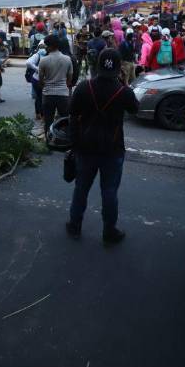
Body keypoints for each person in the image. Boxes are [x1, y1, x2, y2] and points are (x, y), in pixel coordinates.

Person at [66, 49, 138, 244]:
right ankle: (109, 231)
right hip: (113, 149)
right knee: (109, 191)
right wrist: (123, 83)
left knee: (81, 188)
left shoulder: (83, 87)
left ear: (97, 65)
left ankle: (74, 225)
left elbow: (72, 115)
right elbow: (135, 109)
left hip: (85, 148)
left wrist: (74, 144)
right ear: (119, 68)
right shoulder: (124, 92)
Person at [38, 34, 73, 138]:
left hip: (48, 94)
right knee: (65, 119)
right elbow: (69, 80)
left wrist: (46, 86)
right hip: (63, 94)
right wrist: (63, 86)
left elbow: (40, 80)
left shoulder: (43, 60)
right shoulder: (67, 59)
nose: (46, 48)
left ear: (51, 46)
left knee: (48, 120)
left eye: (47, 45)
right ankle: (66, 140)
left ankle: (49, 141)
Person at [26, 40, 46, 122]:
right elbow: (28, 62)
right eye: (42, 46)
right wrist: (37, 69)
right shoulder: (38, 54)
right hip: (38, 79)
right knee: (41, 97)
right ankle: (41, 114)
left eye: (44, 46)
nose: (43, 48)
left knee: (39, 97)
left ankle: (39, 114)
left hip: (36, 79)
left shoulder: (41, 54)